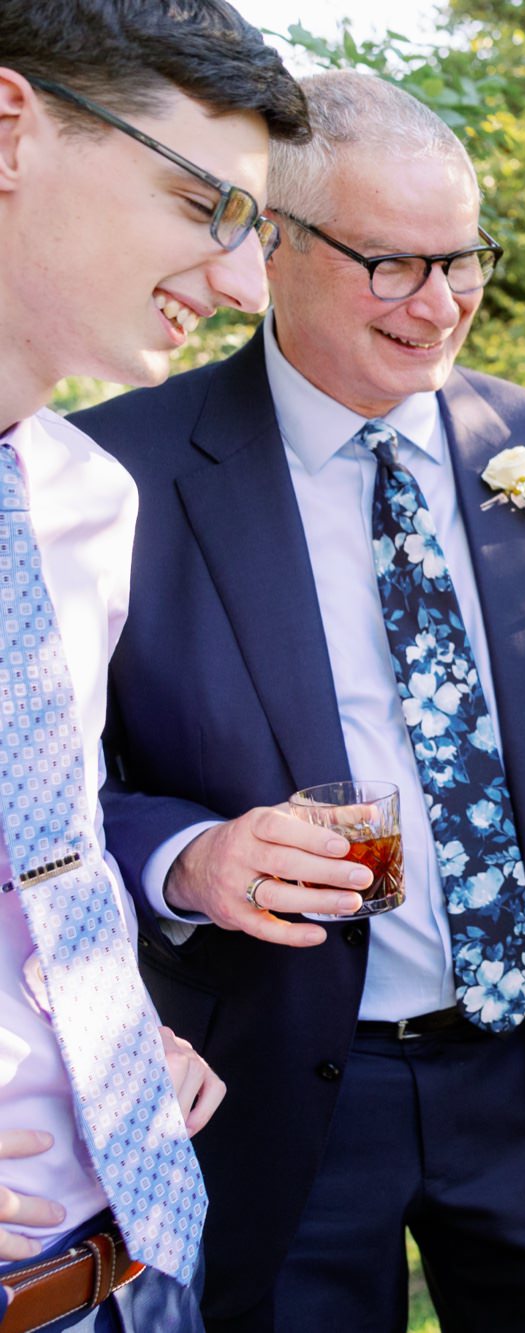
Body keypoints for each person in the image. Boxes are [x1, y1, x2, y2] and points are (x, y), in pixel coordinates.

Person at [71, 70, 525, 1333]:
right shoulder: (117, 473)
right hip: (274, 1084)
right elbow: (52, 789)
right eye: (394, 264)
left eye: (464, 260)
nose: (440, 304)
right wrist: (189, 856)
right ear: (272, 245)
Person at [0, 1, 307, 1327]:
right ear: (11, 129)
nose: (244, 288)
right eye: (202, 206)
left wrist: (97, 1023)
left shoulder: (82, 505)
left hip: (139, 1267)